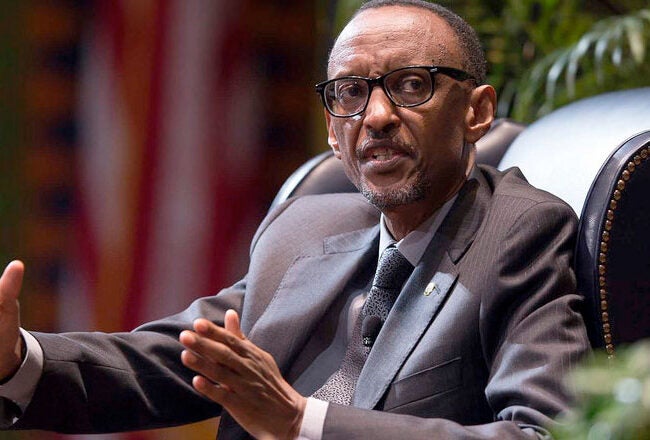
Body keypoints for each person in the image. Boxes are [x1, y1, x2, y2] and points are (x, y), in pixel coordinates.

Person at [0, 0, 590, 438]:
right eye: (352, 93)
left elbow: (541, 433)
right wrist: (19, 360)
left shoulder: (522, 234)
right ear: (334, 132)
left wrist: (298, 421)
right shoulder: (305, 227)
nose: (377, 116)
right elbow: (176, 362)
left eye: (412, 85)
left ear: (477, 111)